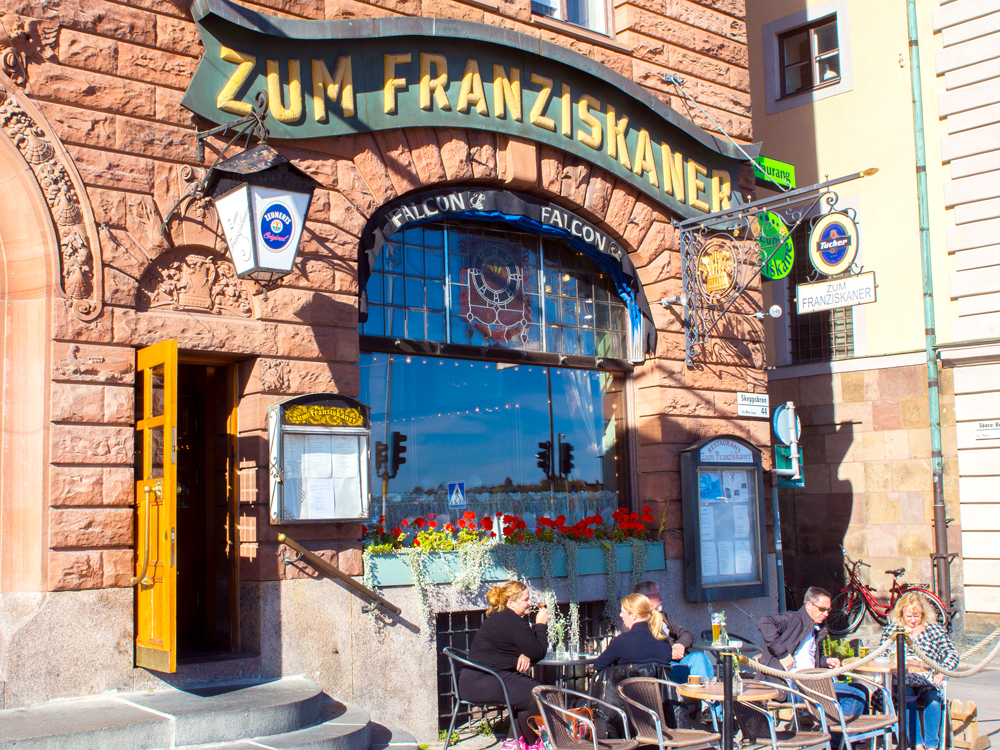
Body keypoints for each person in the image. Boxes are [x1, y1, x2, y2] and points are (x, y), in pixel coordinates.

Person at [459, 580, 550, 750]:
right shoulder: (513, 621)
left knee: (531, 692)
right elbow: (538, 651)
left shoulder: (502, 618)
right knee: (539, 694)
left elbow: (512, 645)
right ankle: (525, 742)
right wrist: (541, 624)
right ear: (511, 603)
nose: (530, 602)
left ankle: (514, 741)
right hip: (484, 681)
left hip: (477, 679)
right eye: (526, 600)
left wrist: (523, 653)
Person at [758, 586, 869, 719]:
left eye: (828, 610)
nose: (826, 614)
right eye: (822, 609)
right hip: (792, 688)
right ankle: (838, 737)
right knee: (855, 695)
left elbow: (809, 660)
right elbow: (764, 622)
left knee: (862, 689)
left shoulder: (815, 629)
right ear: (809, 605)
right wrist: (783, 654)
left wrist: (826, 661)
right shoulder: (793, 619)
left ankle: (855, 736)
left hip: (812, 683)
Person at [880, 591, 958, 750]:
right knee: (906, 697)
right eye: (909, 616)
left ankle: (931, 745)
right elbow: (881, 654)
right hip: (903, 679)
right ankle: (917, 744)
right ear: (901, 613)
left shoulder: (934, 630)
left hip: (929, 679)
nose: (913, 620)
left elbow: (952, 654)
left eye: (917, 616)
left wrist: (942, 671)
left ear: (923, 613)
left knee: (934, 700)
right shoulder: (894, 631)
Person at [633, 581, 714, 682]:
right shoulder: (635, 621)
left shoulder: (663, 616)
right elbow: (640, 650)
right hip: (663, 665)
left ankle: (705, 696)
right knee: (684, 669)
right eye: (657, 595)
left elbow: (686, 634)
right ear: (645, 599)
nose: (661, 598)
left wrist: (680, 644)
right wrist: (668, 653)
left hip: (681, 659)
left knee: (699, 657)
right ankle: (698, 696)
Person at [594, 593, 673, 670]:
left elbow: (598, 665)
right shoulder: (664, 642)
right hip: (659, 683)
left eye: (622, 612)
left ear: (633, 615)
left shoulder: (622, 640)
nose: (620, 615)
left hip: (627, 683)